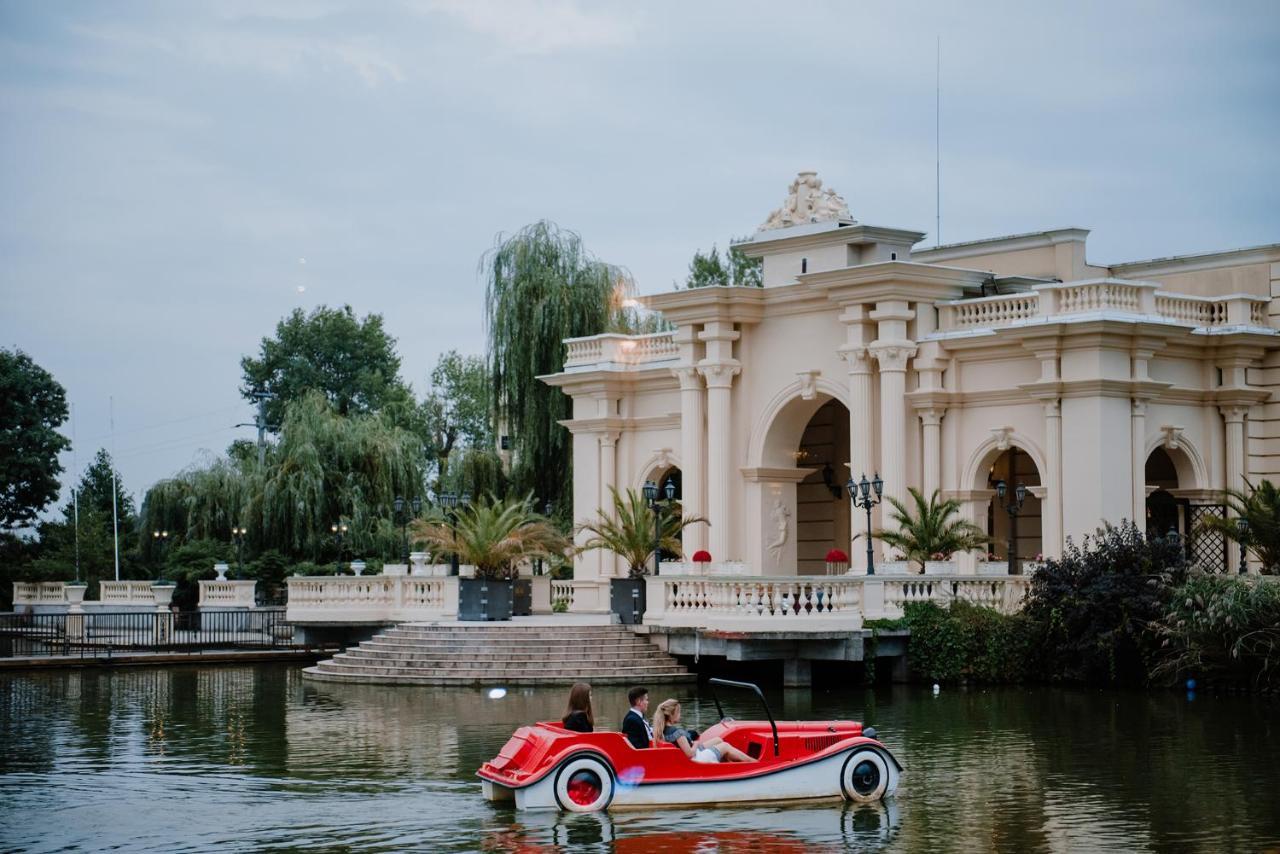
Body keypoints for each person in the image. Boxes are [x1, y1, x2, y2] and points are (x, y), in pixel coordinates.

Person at [652, 699, 754, 764]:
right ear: (671, 715)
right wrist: (695, 744)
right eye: (679, 712)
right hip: (695, 759)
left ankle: (730, 764)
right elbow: (689, 754)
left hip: (690, 755)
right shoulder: (677, 733)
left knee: (718, 740)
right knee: (725, 746)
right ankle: (753, 762)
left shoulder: (661, 730)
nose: (680, 715)